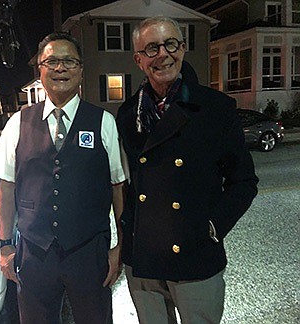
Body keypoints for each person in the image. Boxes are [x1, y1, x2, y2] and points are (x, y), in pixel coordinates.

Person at [116, 17, 259, 324]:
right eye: (151, 48)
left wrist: (212, 226)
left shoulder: (216, 108)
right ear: (138, 60)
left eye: (171, 44)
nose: (163, 54)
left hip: (195, 257)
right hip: (143, 259)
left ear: (182, 49)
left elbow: (244, 181)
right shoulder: (128, 114)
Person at [0, 32, 126, 324]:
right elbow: (6, 187)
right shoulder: (18, 123)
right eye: (51, 61)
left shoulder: (103, 122)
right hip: (34, 252)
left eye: (68, 61)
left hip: (88, 252)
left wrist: (120, 246)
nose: (60, 68)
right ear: (39, 69)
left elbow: (118, 187)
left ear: (80, 69)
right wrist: (4, 245)